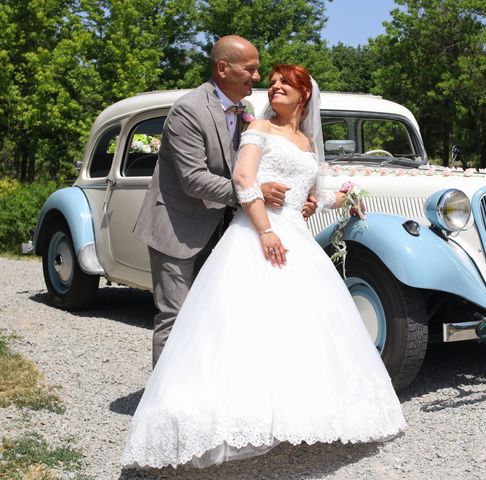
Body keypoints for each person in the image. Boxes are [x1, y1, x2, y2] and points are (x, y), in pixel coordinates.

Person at [122, 64, 405, 469]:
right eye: (270, 82)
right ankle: (200, 414)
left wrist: (340, 199)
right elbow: (243, 177)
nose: (273, 87)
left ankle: (292, 412)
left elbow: (307, 198)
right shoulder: (259, 130)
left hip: (294, 235)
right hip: (258, 234)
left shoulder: (307, 142)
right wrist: (265, 231)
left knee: (296, 325)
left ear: (304, 95)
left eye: (284, 84)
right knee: (239, 323)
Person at [132, 35, 313, 366]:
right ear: (222, 68)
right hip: (177, 228)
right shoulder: (188, 110)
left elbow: (252, 165)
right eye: (251, 69)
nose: (257, 78)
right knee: (176, 317)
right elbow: (193, 180)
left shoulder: (244, 111)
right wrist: (254, 193)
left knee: (214, 317)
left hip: (223, 229)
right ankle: (163, 404)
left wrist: (297, 197)